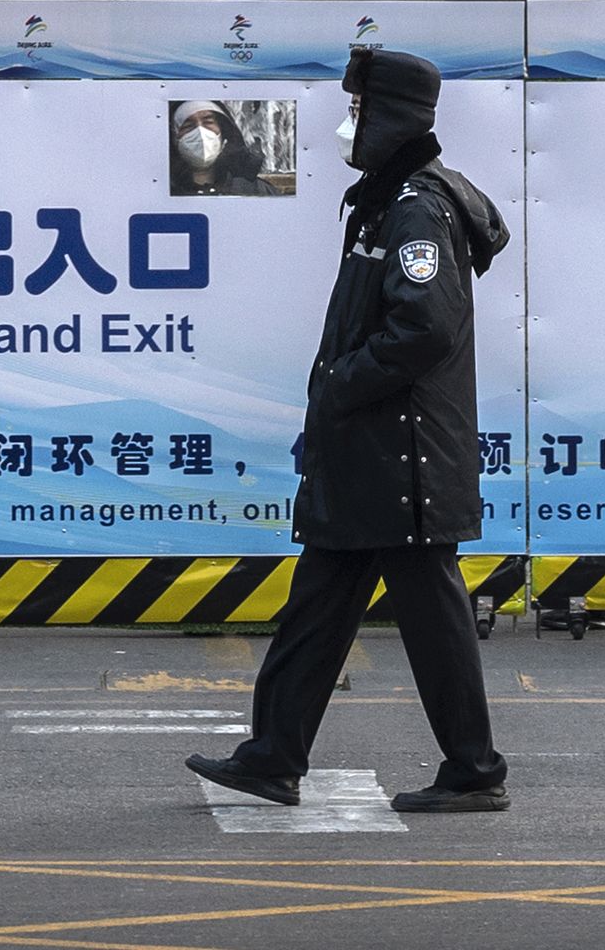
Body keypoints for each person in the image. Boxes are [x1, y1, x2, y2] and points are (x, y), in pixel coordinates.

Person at [186, 47, 512, 813]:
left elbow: (424, 328)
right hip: (373, 455)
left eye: (359, 111)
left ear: (391, 118)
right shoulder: (386, 200)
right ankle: (274, 755)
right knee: (320, 606)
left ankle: (473, 770)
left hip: (404, 462)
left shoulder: (416, 209)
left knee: (432, 621)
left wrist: (340, 383)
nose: (347, 126)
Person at [169, 100, 276, 196]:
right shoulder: (161, 191)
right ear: (174, 137)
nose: (200, 132)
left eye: (208, 122)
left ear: (223, 132)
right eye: (188, 126)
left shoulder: (257, 191)